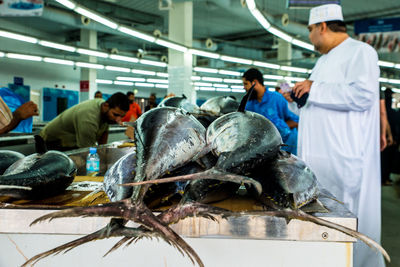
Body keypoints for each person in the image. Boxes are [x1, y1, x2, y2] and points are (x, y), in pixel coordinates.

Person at [292, 4, 383, 267]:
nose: (310, 37)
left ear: (322, 26)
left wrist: (315, 88)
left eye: (310, 30)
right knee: (325, 224)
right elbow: (322, 99)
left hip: (344, 158)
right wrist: (300, 97)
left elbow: (363, 96)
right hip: (322, 159)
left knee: (349, 222)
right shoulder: (323, 61)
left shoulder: (361, 52)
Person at [38, 92, 129, 151]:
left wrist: (104, 151)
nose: (118, 120)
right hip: (51, 142)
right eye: (116, 115)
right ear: (106, 106)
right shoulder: (89, 117)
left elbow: (103, 136)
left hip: (67, 142)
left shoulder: (104, 110)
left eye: (122, 116)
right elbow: (86, 151)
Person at [242, 68, 299, 155]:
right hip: (265, 149)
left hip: (288, 145)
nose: (244, 87)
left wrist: (278, 128)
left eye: (246, 84)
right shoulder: (249, 105)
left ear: (255, 82)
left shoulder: (277, 98)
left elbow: (295, 121)